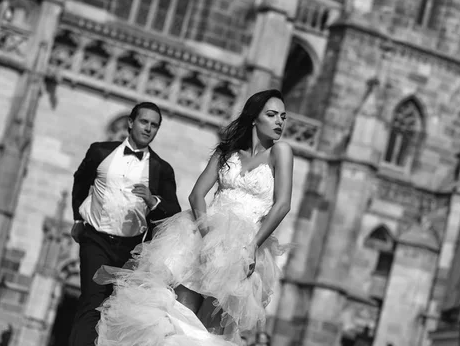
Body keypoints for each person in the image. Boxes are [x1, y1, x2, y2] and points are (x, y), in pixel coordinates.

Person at [95, 89, 294, 345]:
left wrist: (252, 247)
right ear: (254, 118)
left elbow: (283, 205)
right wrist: (207, 238)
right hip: (201, 234)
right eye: (272, 114)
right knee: (176, 316)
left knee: (211, 329)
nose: (280, 121)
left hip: (243, 245)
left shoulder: (282, 152)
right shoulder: (227, 152)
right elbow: (197, 195)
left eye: (283, 116)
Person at [68, 102, 181, 346]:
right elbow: (80, 181)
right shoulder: (100, 152)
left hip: (131, 249)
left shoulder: (161, 169)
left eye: (154, 125)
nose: (148, 128)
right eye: (144, 122)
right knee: (91, 301)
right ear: (131, 123)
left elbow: (173, 213)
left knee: (115, 311)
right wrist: (78, 217)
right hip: (96, 239)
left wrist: (153, 201)